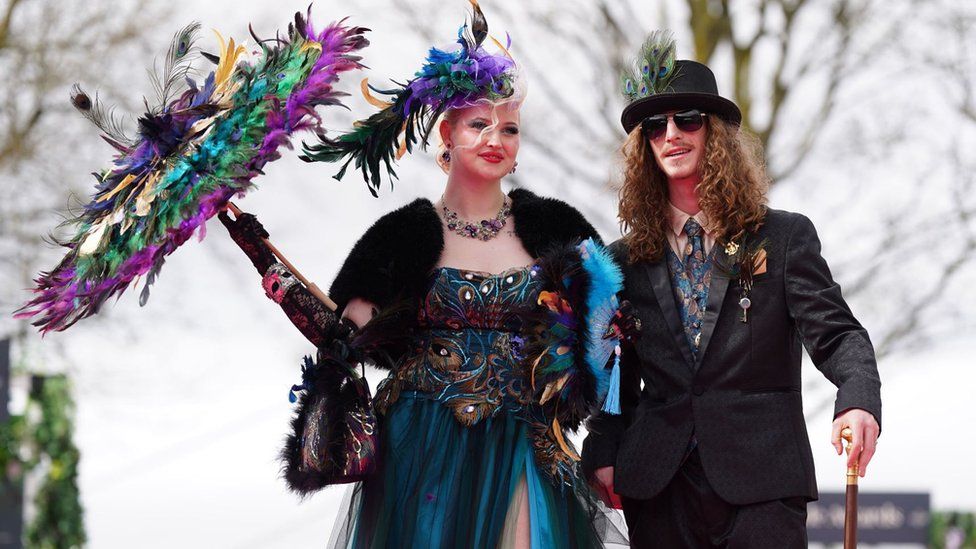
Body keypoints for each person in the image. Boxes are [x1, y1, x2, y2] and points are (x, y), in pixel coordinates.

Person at [221, 4, 628, 548]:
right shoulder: (401, 234)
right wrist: (264, 258)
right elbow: (345, 334)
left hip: (528, 444)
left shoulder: (558, 228)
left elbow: (607, 344)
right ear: (448, 133)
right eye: (479, 124)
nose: (495, 139)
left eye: (509, 129)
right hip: (421, 448)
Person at [581, 31, 883, 548]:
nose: (671, 134)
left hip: (764, 479)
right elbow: (614, 379)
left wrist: (858, 400)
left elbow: (838, 335)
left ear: (715, 133)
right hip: (657, 481)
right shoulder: (622, 260)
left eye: (687, 120)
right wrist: (602, 449)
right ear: (644, 147)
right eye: (655, 126)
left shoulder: (785, 237)